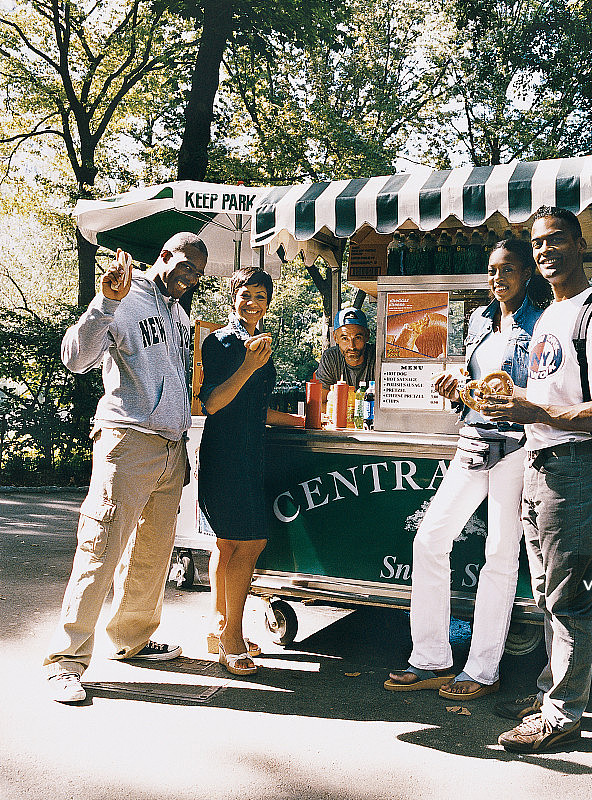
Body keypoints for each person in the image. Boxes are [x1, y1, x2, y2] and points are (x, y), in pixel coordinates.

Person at [480, 207, 592, 752]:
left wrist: (535, 412)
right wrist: (502, 398)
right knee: (549, 593)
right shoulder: (550, 315)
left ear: (580, 245)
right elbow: (543, 399)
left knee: (567, 599)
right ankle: (553, 695)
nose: (546, 250)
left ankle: (562, 714)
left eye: (556, 240)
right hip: (540, 464)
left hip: (573, 468)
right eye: (539, 243)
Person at [44, 232, 208, 703]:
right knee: (100, 549)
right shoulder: (124, 296)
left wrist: (181, 445)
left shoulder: (179, 314)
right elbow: (75, 359)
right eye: (185, 267)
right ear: (164, 256)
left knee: (152, 554)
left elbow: (174, 381)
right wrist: (104, 303)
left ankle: (131, 638)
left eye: (197, 273)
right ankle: (65, 661)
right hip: (127, 441)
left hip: (170, 447)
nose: (190, 278)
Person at [384, 238, 544, 699]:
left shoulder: (541, 323)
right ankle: (431, 659)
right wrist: (457, 387)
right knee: (430, 540)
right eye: (492, 270)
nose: (498, 278)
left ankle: (482, 670)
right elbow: (474, 384)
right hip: (473, 441)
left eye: (508, 269)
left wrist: (509, 398)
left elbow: (542, 390)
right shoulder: (478, 320)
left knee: (500, 554)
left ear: (527, 273)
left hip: (516, 446)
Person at [198, 267, 304, 676]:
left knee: (227, 544)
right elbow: (212, 403)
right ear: (233, 297)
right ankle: (232, 639)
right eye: (246, 294)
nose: (253, 303)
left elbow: (254, 408)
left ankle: (218, 625)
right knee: (252, 542)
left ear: (268, 303)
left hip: (249, 451)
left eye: (261, 296)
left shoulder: (259, 342)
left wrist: (301, 422)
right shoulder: (221, 341)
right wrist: (247, 366)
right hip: (226, 454)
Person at [315, 307, 376, 407]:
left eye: (358, 338)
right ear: (335, 338)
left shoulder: (378, 356)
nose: (352, 346)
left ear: (367, 336)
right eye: (345, 338)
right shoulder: (331, 357)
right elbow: (320, 403)